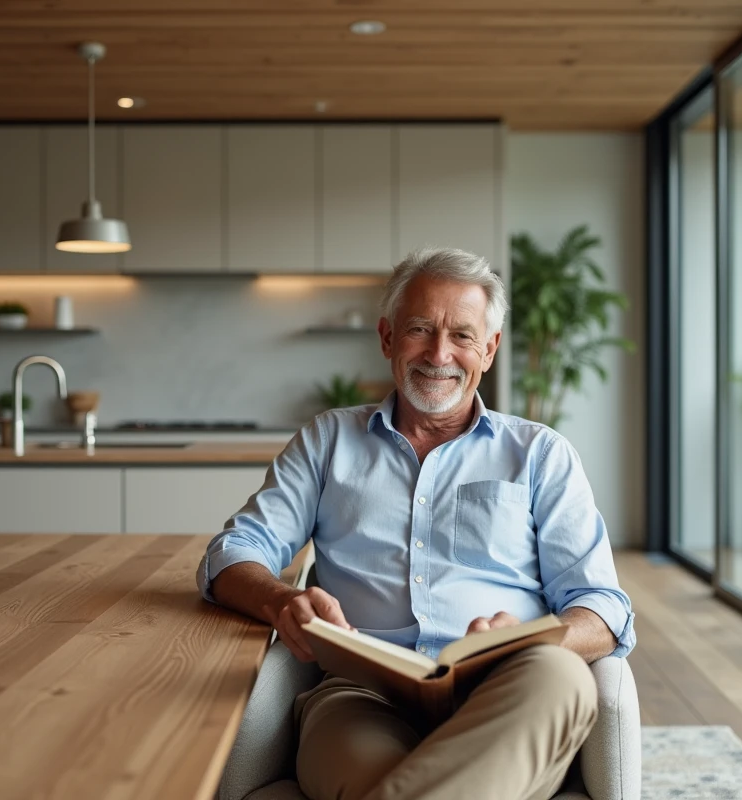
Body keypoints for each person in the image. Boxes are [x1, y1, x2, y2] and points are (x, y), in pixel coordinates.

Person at [196, 247, 635, 800]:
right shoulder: (328, 441)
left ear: (491, 349)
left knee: (563, 677)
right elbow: (232, 551)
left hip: (507, 690)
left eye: (462, 336)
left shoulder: (541, 455)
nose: (438, 353)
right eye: (420, 329)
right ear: (386, 338)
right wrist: (283, 601)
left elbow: (604, 607)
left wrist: (523, 644)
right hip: (361, 698)